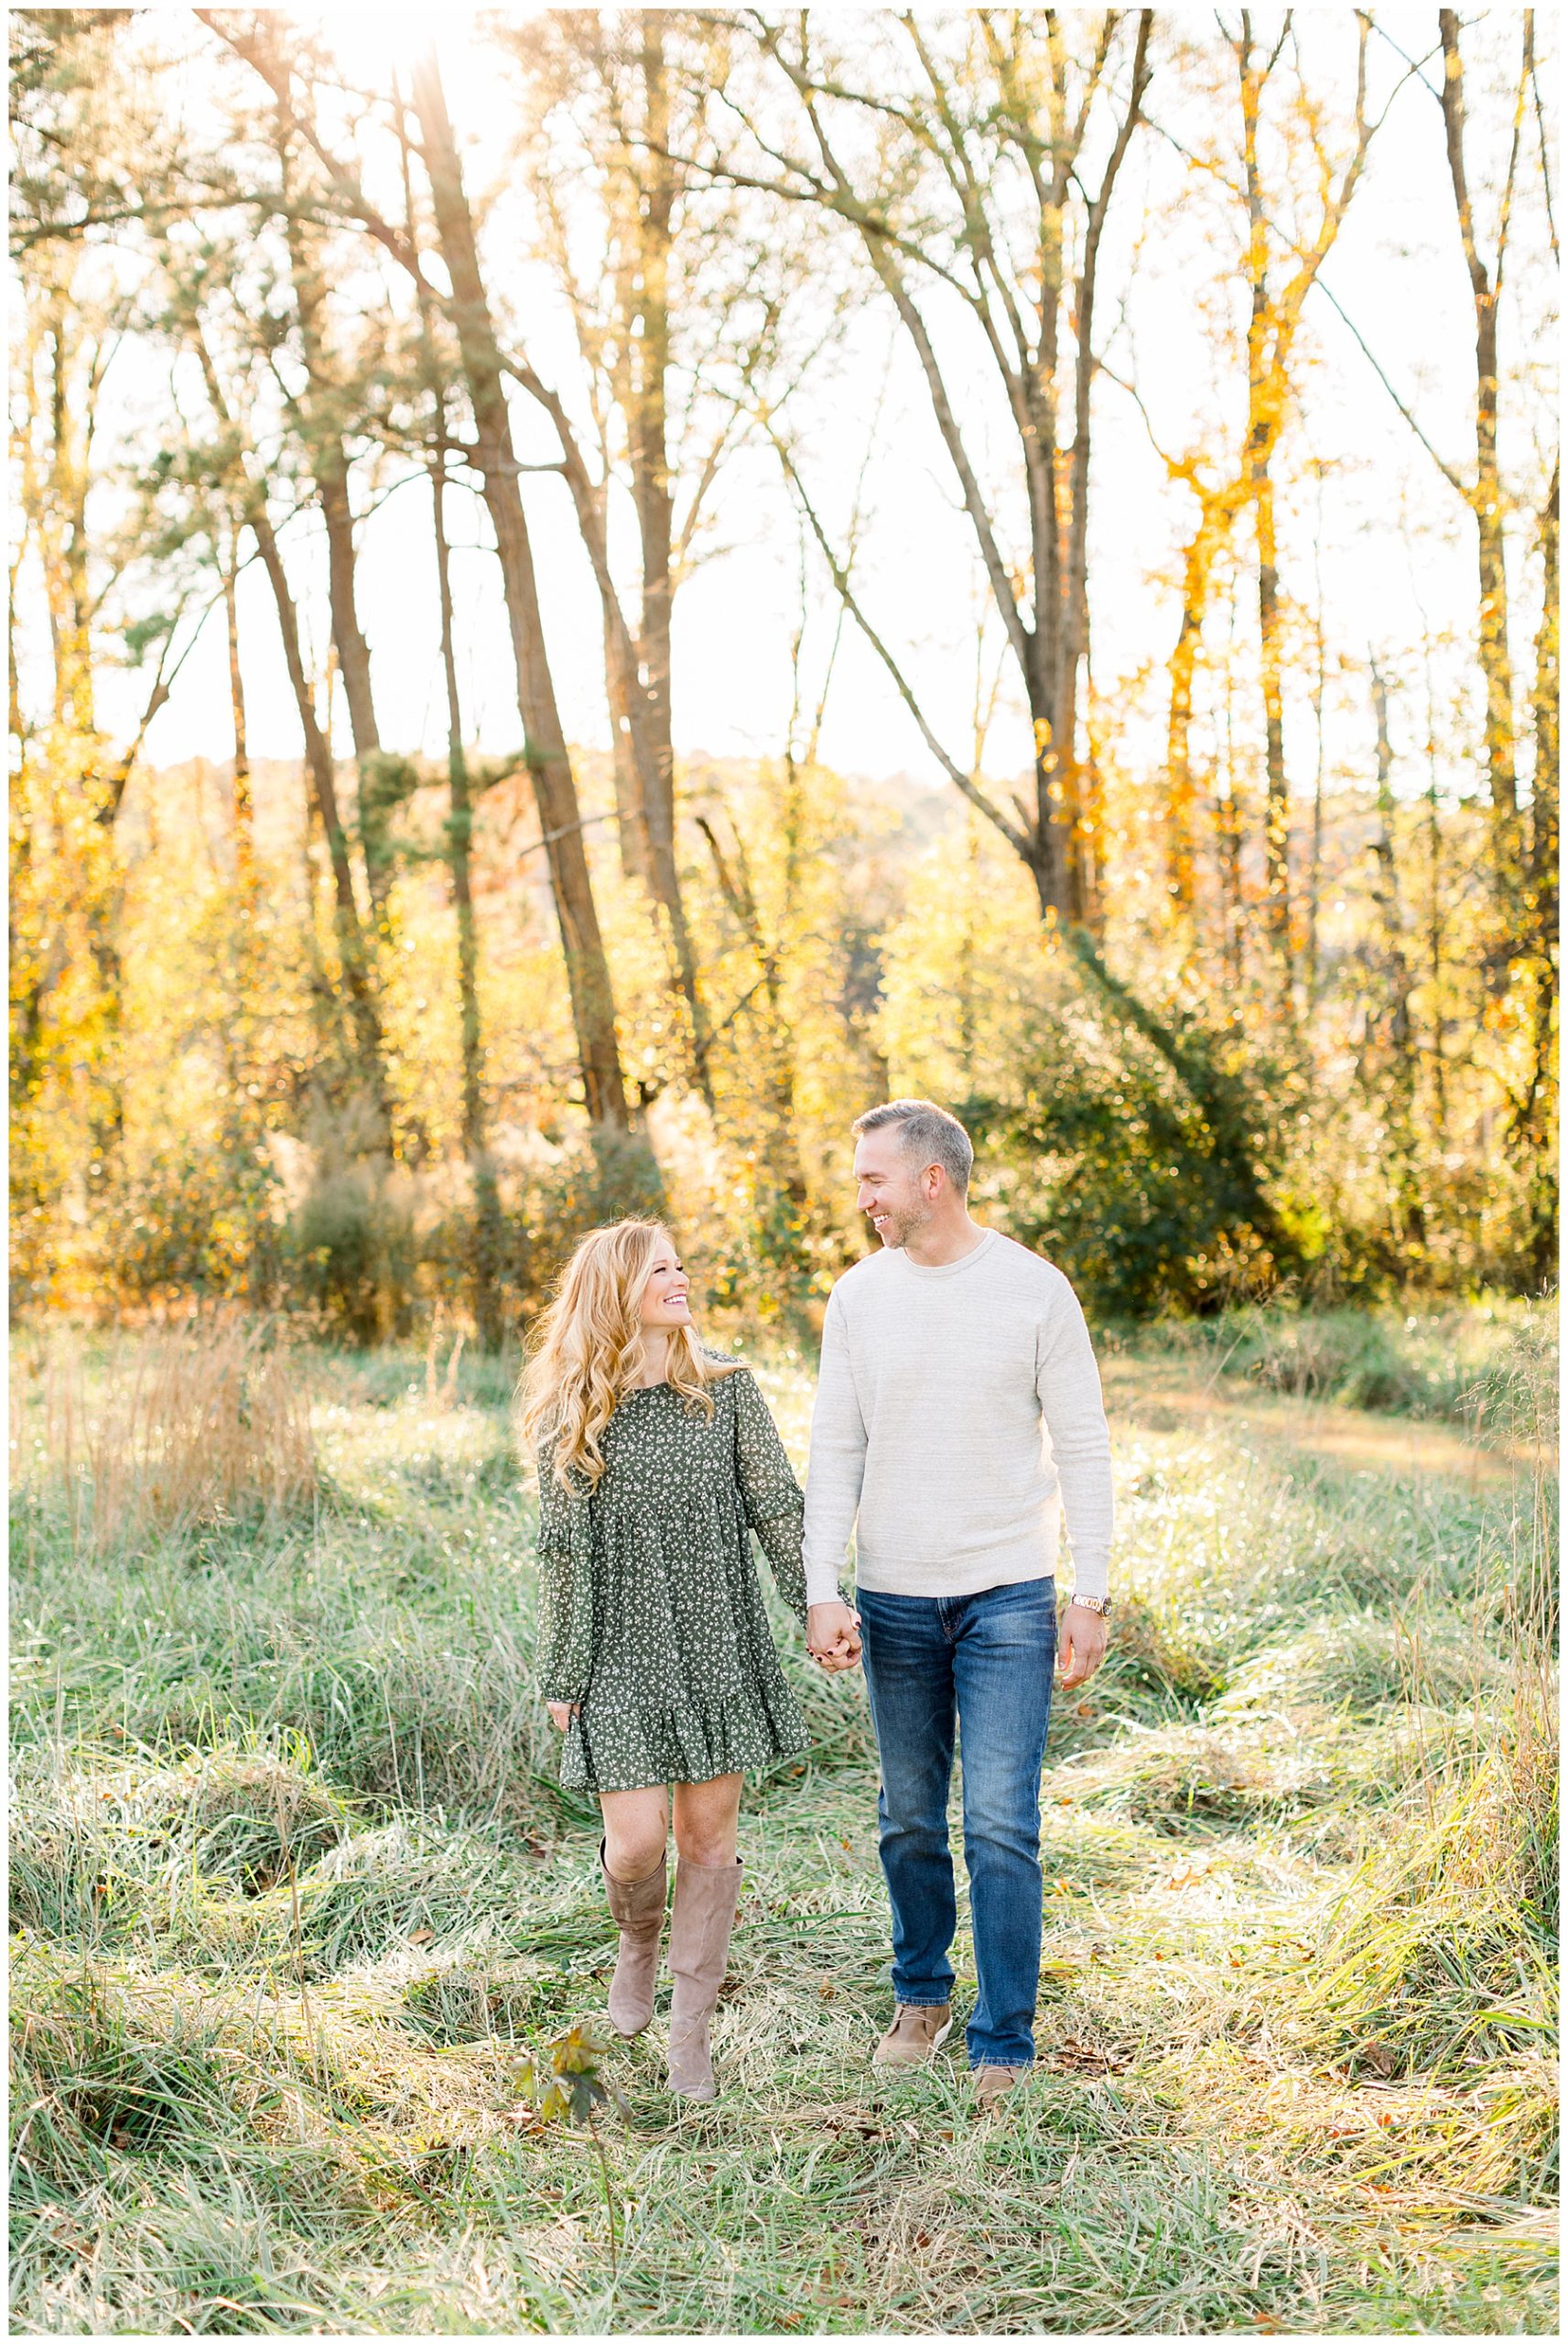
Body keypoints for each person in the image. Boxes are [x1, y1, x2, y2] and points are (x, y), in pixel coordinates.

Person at [801, 1100, 1114, 2108]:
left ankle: (1004, 2042)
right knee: (906, 1818)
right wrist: (822, 1587)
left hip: (1008, 1599)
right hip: (893, 1600)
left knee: (1002, 1825)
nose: (863, 1200)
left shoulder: (1032, 1291)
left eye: (873, 1180)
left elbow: (1085, 1446)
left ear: (931, 1179)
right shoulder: (858, 1298)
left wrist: (1091, 1591)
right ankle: (922, 1997)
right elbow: (834, 1449)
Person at [518, 1217, 858, 2102]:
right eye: (655, 1270)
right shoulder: (575, 1412)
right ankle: (636, 1946)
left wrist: (817, 1601)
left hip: (716, 1646)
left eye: (678, 1265)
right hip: (621, 1655)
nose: (677, 1278)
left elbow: (777, 1507)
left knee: (708, 1838)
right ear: (614, 1293)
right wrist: (565, 1672)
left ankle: (688, 2029)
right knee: (635, 1846)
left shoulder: (729, 1391)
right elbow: (565, 1552)